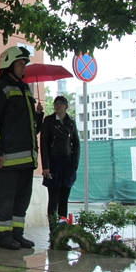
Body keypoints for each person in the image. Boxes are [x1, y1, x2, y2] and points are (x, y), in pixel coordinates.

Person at [0, 46, 44, 250]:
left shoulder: (25, 89)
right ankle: (3, 236)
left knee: (21, 200)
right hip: (7, 157)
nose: (23, 67)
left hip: (27, 159)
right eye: (20, 63)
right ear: (8, 64)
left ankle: (17, 234)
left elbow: (27, 126)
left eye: (24, 64)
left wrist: (38, 116)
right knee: (4, 199)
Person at [41, 95, 80, 225]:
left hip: (67, 164)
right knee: (53, 199)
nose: (57, 106)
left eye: (60, 103)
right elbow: (44, 144)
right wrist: (46, 166)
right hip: (53, 163)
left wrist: (74, 164)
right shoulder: (49, 121)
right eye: (55, 103)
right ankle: (53, 230)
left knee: (64, 199)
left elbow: (76, 143)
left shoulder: (71, 122)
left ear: (66, 106)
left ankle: (62, 231)